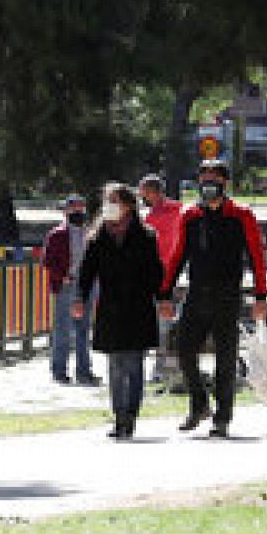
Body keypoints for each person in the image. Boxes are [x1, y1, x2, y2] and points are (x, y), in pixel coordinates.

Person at [157, 159, 267, 438]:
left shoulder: (241, 215)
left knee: (226, 358)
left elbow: (257, 256)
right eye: (204, 178)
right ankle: (199, 404)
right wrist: (165, 294)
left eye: (214, 179)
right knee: (183, 349)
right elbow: (177, 255)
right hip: (196, 293)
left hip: (228, 296)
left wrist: (260, 296)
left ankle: (222, 417)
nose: (209, 184)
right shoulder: (190, 215)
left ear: (225, 183)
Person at [74, 183, 164, 440]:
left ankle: (131, 416)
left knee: (134, 365)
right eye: (107, 200)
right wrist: (80, 298)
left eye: (115, 200)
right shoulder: (97, 237)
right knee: (115, 365)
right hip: (110, 309)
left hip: (138, 307)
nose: (109, 204)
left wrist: (163, 298)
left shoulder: (146, 236)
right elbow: (86, 272)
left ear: (128, 206)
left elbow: (154, 272)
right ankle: (119, 416)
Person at [42, 195, 98, 385]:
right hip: (66, 285)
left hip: (87, 285)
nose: (78, 212)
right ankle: (59, 370)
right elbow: (47, 261)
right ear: (66, 211)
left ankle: (84, 371)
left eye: (81, 208)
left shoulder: (91, 233)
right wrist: (62, 276)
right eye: (74, 208)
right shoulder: (57, 234)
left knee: (84, 329)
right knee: (63, 328)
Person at [139, 174, 184, 381]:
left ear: (151, 192)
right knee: (164, 322)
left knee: (162, 323)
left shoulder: (155, 216)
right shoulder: (179, 210)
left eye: (143, 191)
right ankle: (165, 366)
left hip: (161, 275)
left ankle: (162, 368)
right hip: (169, 273)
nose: (142, 195)